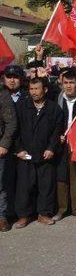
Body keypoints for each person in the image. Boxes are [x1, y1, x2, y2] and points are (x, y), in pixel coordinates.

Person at [13, 77, 64, 228]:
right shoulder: (21, 106)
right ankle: (24, 215)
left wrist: (51, 148)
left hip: (45, 154)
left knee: (46, 185)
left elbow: (57, 131)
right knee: (24, 186)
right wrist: (19, 150)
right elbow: (15, 130)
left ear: (45, 90)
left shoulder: (54, 109)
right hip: (25, 154)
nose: (33, 92)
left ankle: (44, 213)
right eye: (31, 89)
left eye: (37, 89)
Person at [53, 71, 76, 221]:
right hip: (60, 143)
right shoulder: (55, 100)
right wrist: (57, 137)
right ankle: (62, 209)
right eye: (66, 83)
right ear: (62, 84)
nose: (68, 86)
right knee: (61, 177)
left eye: (72, 83)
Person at [0, 83, 17, 232]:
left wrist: (4, 144)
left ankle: (2, 217)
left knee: (0, 185)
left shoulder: (3, 94)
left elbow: (11, 122)